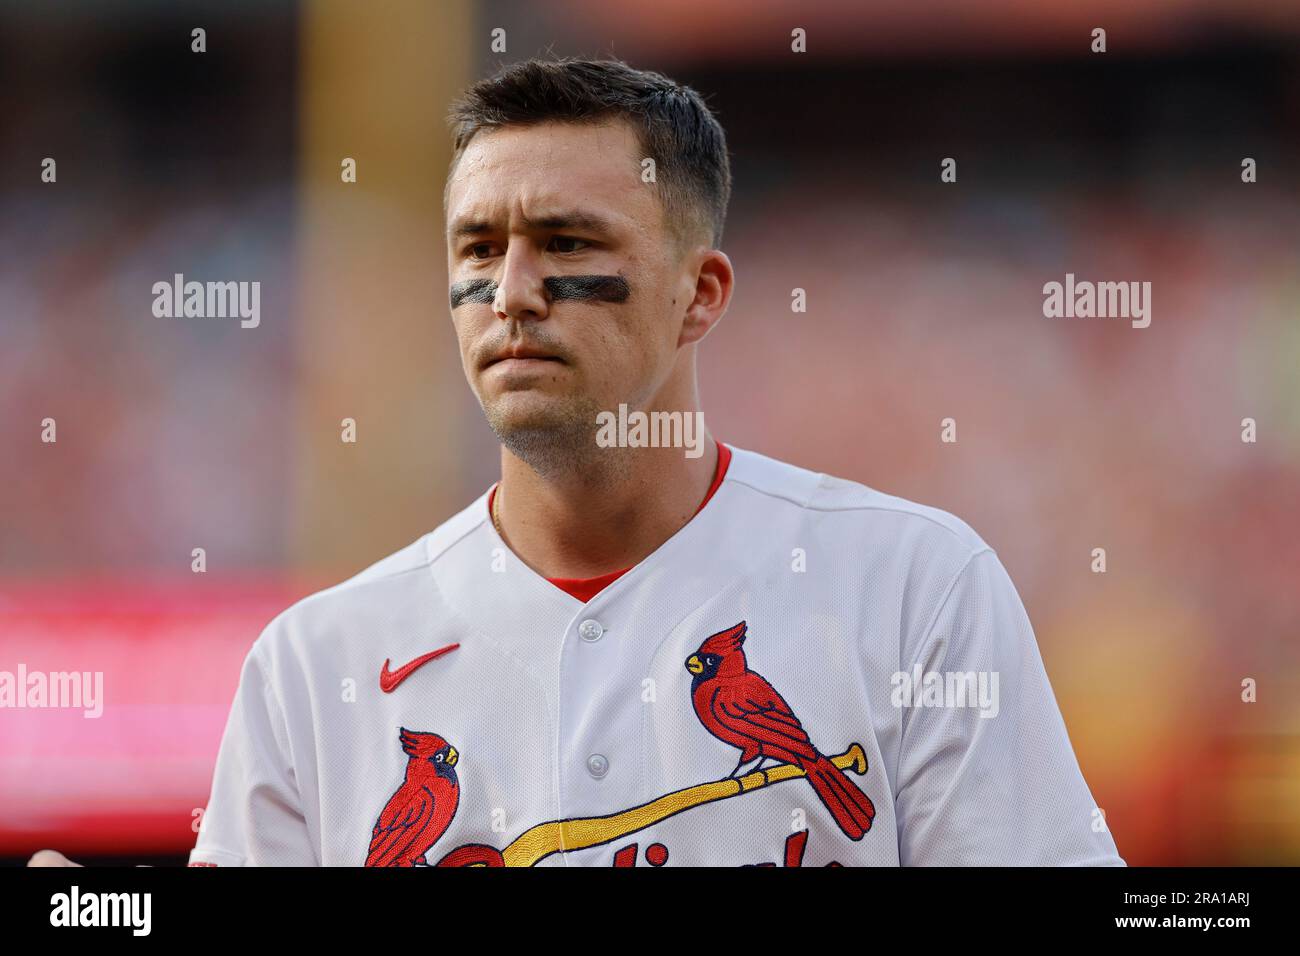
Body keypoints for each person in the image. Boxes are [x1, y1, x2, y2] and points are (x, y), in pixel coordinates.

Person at [32, 56, 1122, 867]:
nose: (510, 291)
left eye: (566, 244)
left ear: (700, 294)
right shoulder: (313, 666)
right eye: (476, 249)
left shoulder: (912, 589)